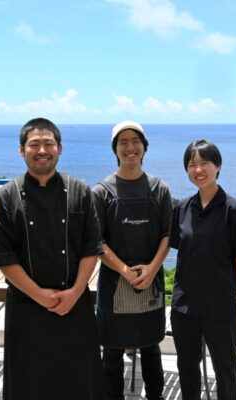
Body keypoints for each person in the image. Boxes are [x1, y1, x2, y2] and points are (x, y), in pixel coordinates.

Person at [0, 117, 105, 399]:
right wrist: (40, 295)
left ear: (60, 148)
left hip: (75, 305)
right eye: (34, 144)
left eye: (48, 144)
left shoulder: (80, 191)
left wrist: (76, 291)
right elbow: (5, 258)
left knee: (79, 383)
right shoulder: (6, 196)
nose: (42, 150)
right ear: (21, 150)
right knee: (29, 386)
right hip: (26, 308)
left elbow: (92, 248)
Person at [169, 140, 236, 400]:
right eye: (192, 164)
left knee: (225, 369)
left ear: (218, 166)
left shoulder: (235, 210)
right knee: (186, 367)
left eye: (204, 163)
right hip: (185, 306)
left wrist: (220, 282)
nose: (198, 169)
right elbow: (178, 248)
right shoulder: (182, 208)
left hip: (219, 306)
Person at [93, 121, 172, 400]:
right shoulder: (102, 192)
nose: (130, 147)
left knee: (151, 347)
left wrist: (152, 268)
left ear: (144, 147)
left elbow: (167, 234)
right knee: (111, 351)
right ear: (115, 149)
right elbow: (96, 241)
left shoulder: (159, 188)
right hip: (114, 283)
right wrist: (125, 270)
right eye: (123, 142)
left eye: (135, 141)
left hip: (151, 281)